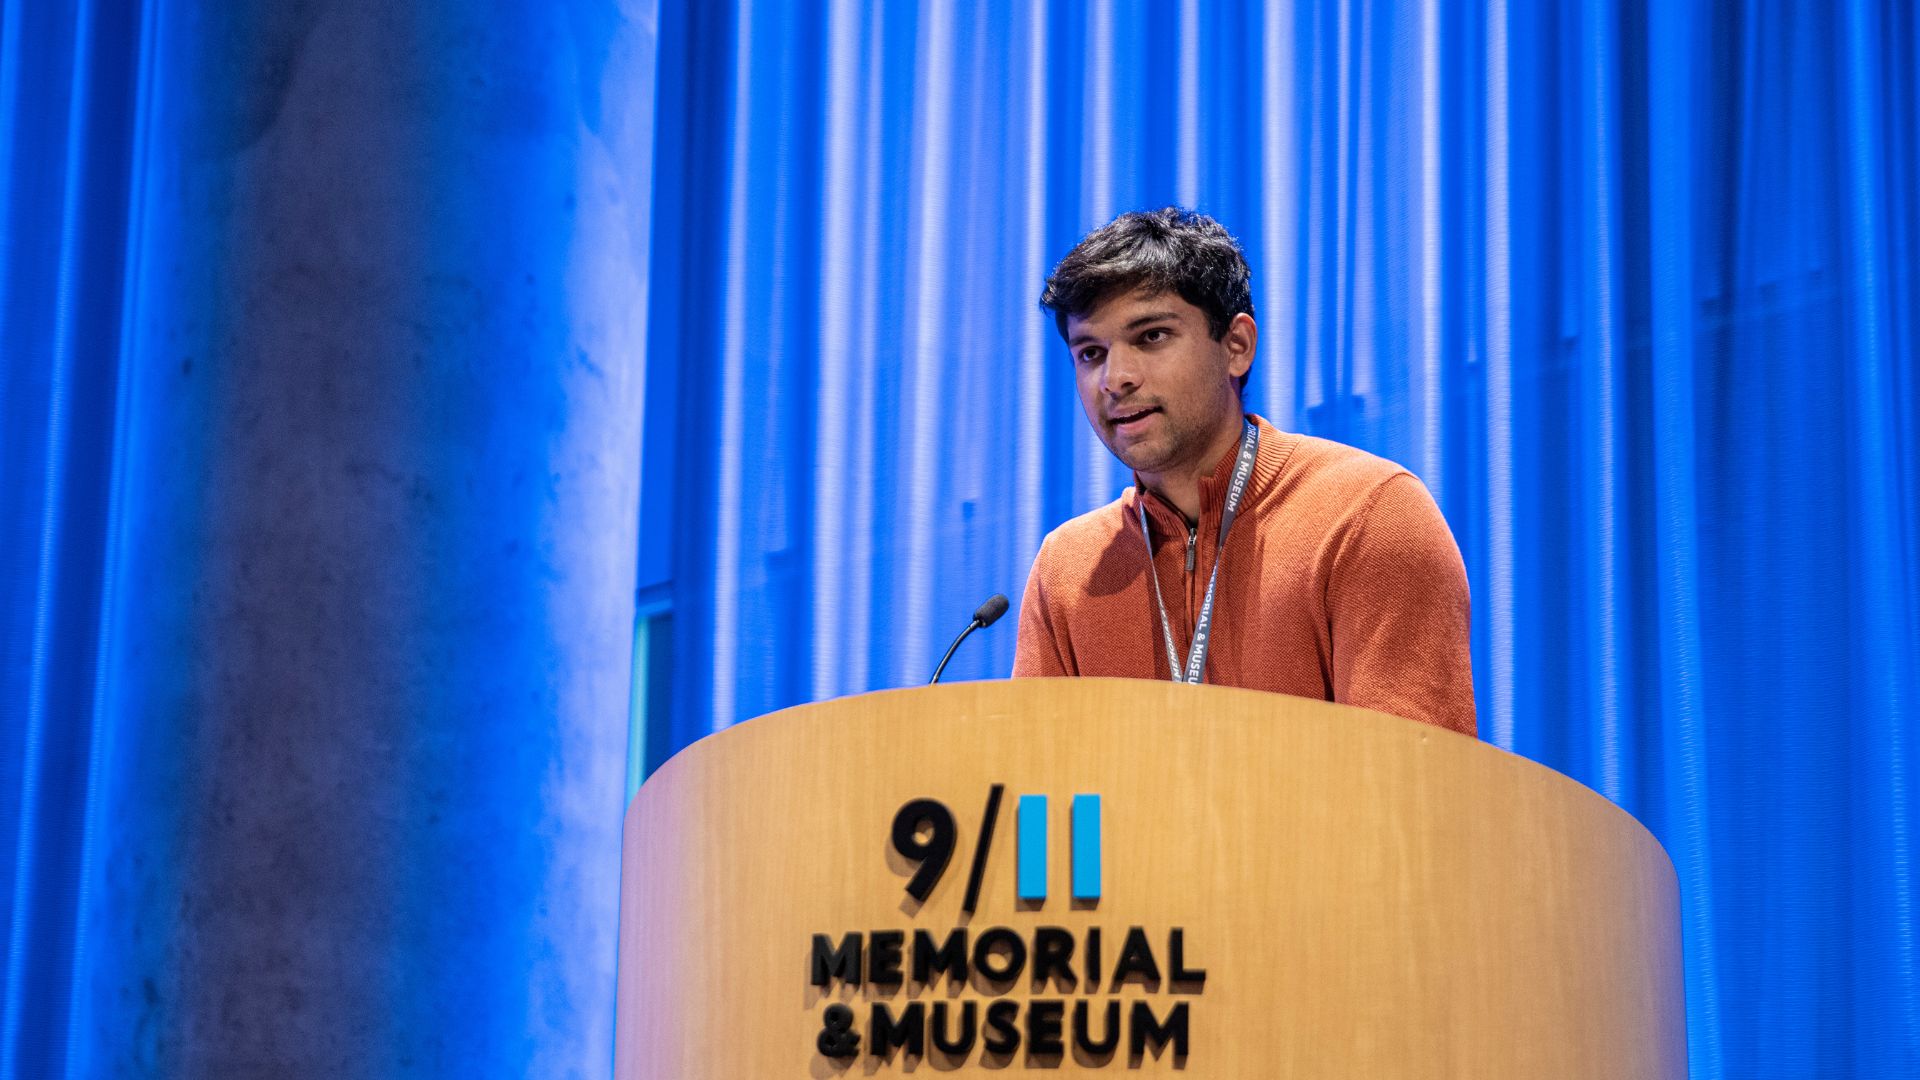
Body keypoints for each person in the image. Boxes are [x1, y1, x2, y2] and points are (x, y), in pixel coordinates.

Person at [1011, 208, 1476, 736]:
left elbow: (1412, 790)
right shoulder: (1069, 568)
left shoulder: (1367, 513)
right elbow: (1039, 801)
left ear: (1237, 347)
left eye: (1151, 337)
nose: (1114, 379)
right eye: (1091, 353)